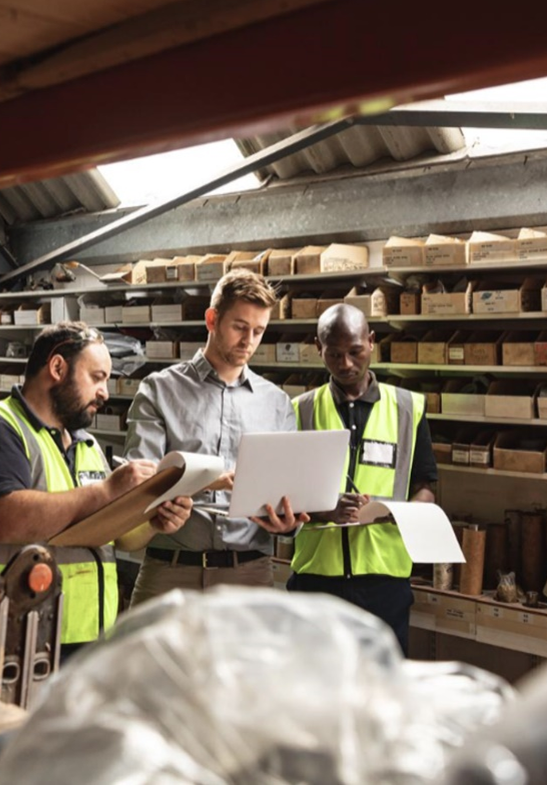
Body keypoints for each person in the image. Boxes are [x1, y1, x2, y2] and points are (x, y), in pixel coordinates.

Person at [0, 322, 192, 654]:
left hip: (83, 632)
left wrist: (154, 521)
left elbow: (123, 538)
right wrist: (106, 491)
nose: (104, 392)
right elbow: (6, 520)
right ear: (58, 368)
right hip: (5, 629)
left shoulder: (85, 445)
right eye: (97, 377)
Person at [125, 269, 305, 605]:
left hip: (249, 574)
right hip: (170, 572)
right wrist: (211, 481)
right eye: (239, 327)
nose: (248, 340)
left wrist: (287, 523)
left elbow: (285, 492)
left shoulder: (277, 403)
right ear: (212, 319)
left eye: (258, 331)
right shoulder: (159, 390)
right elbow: (138, 487)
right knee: (149, 660)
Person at [288, 302, 439, 654]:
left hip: (385, 582)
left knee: (381, 693)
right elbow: (283, 494)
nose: (346, 364)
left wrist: (392, 512)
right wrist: (327, 510)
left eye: (355, 352)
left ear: (371, 342)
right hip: (316, 581)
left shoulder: (408, 408)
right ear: (318, 349)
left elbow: (425, 488)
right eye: (334, 354)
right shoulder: (299, 411)